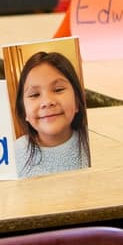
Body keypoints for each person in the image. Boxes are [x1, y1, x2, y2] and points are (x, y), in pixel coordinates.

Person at [13, 50, 91, 179]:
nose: (47, 102)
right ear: (24, 111)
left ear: (77, 101)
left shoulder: (94, 145)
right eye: (34, 95)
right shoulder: (13, 154)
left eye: (58, 89)